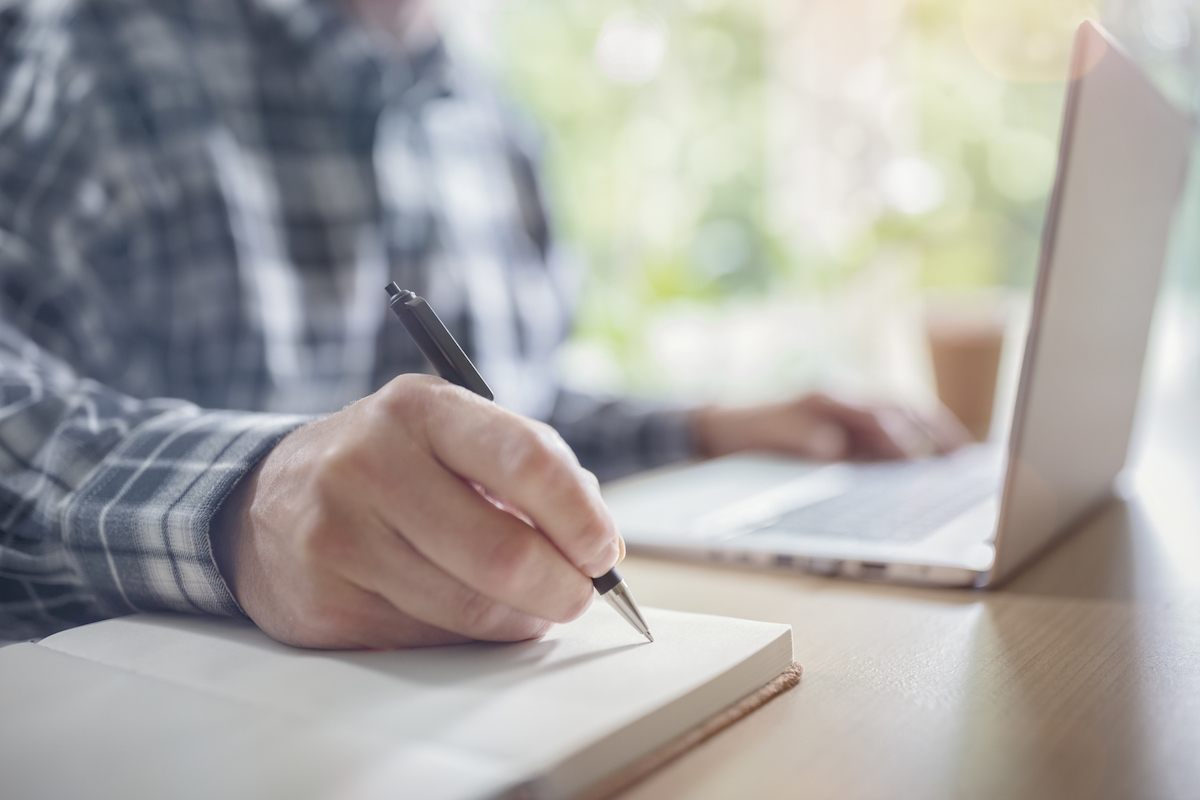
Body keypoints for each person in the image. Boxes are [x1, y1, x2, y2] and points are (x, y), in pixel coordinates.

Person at [0, 0, 966, 648]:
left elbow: (505, 406)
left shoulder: (489, 118)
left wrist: (702, 428)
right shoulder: (70, 50)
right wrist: (244, 507)